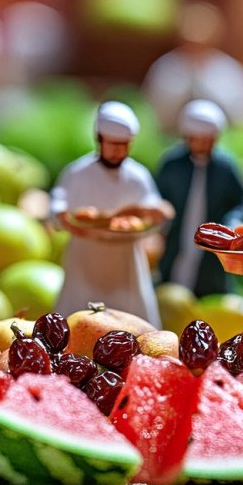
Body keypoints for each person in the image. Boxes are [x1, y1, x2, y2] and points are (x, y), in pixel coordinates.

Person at [50, 101, 174, 326]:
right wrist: (65, 218)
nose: (117, 150)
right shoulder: (78, 173)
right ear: (99, 140)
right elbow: (58, 205)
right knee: (77, 317)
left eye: (123, 145)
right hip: (85, 257)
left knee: (132, 321)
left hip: (125, 259)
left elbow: (153, 208)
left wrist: (156, 213)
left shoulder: (137, 175)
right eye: (112, 144)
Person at [155, 99, 243, 296]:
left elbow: (242, 201)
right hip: (177, 236)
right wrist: (159, 219)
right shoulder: (172, 164)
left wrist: (233, 222)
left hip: (212, 243)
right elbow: (157, 196)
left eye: (208, 140)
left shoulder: (226, 167)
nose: (202, 144)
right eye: (197, 139)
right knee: (172, 284)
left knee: (210, 283)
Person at [141, 1, 243, 133]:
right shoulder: (166, 67)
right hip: (173, 137)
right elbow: (155, 115)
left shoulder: (229, 70)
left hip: (224, 137)